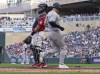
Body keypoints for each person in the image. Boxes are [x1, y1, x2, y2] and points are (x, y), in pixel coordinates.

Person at [40, 2, 69, 68]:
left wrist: (50, 27)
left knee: (56, 49)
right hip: (55, 32)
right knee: (63, 47)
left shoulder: (48, 14)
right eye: (59, 8)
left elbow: (45, 24)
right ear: (56, 7)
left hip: (50, 32)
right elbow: (51, 22)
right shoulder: (54, 14)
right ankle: (61, 64)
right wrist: (59, 27)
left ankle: (43, 54)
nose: (59, 9)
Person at [29, 3, 48, 68]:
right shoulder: (42, 15)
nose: (38, 9)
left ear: (43, 8)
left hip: (38, 32)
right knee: (33, 47)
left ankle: (42, 63)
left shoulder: (42, 15)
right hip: (37, 33)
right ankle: (37, 62)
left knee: (37, 48)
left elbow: (38, 26)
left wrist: (31, 34)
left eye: (39, 8)